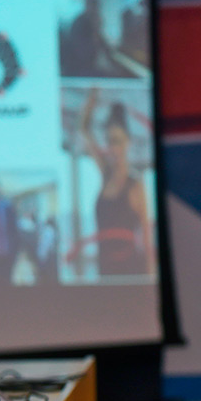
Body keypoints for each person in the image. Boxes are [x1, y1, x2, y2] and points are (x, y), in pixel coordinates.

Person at [80, 89, 152, 276]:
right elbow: (84, 129)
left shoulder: (135, 185)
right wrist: (92, 98)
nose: (114, 148)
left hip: (130, 269)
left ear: (128, 141)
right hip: (104, 268)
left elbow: (146, 238)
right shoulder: (105, 174)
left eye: (118, 141)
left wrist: (150, 277)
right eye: (110, 142)